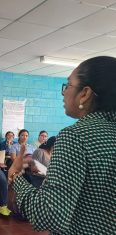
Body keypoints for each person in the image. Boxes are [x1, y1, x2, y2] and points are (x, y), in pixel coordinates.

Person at [8, 56, 116, 234]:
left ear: (85, 93)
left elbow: (49, 216)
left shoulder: (76, 136)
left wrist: (16, 177)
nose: (63, 92)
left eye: (68, 85)